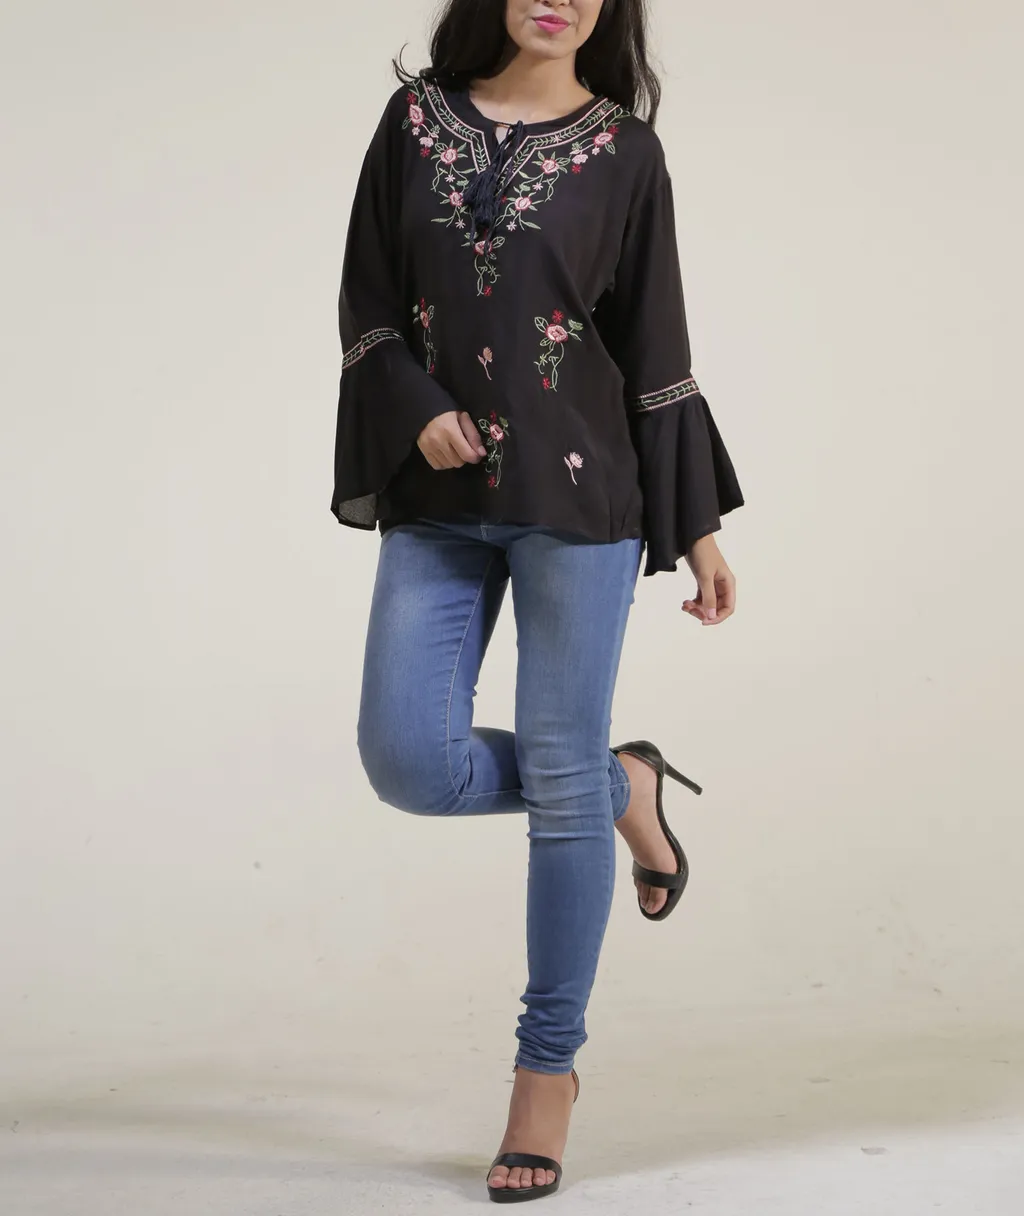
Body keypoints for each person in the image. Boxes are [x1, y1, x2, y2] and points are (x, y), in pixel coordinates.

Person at [330, 0, 743, 1202]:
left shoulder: (625, 152)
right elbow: (368, 304)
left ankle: (544, 1072)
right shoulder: (415, 121)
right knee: (409, 760)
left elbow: (653, 345)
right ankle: (623, 784)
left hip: (581, 495)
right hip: (438, 496)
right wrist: (416, 409)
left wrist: (697, 526)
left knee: (555, 778)